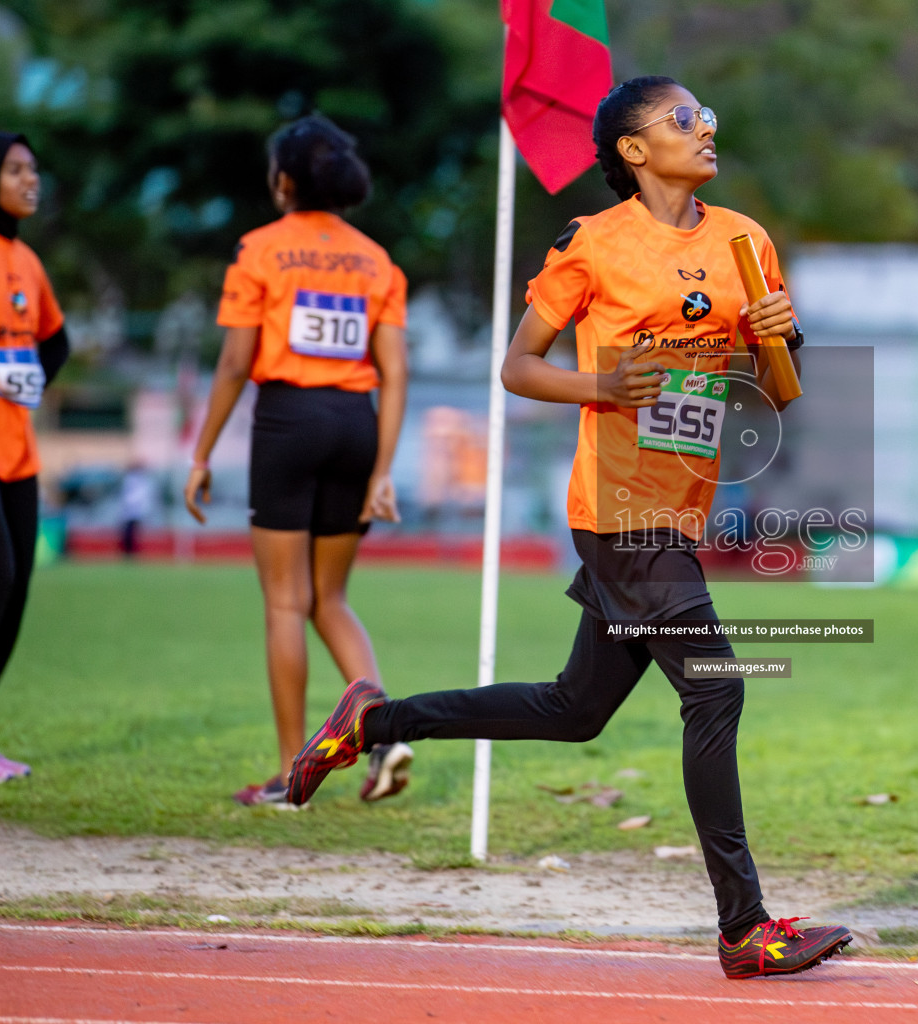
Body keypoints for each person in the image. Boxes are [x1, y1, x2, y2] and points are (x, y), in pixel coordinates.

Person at [286, 77, 851, 979]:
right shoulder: (594, 246)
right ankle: (744, 929)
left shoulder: (744, 238)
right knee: (716, 689)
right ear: (633, 149)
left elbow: (778, 389)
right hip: (621, 512)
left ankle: (374, 721)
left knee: (574, 710)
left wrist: (783, 335)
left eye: (706, 116)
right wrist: (604, 387)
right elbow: (518, 367)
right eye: (682, 118)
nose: (705, 127)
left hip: (678, 508)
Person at [184, 115, 414, 807]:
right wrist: (381, 471)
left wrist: (200, 453)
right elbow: (396, 372)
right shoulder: (377, 260)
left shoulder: (260, 248)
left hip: (287, 420)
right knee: (331, 599)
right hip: (356, 425)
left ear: (283, 181)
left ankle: (293, 775)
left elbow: (233, 362)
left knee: (286, 602)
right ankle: (389, 736)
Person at [0, 132, 71, 784]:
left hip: (18, 451)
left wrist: (25, 374)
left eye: (34, 169)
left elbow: (56, 343)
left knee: (16, 590)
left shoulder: (25, 261)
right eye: (15, 169)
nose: (31, 179)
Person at [118, 459, 154, 558]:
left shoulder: (138, 479)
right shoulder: (132, 479)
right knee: (130, 531)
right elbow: (133, 496)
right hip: (132, 509)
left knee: (133, 532)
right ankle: (129, 550)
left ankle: (132, 550)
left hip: (135, 509)